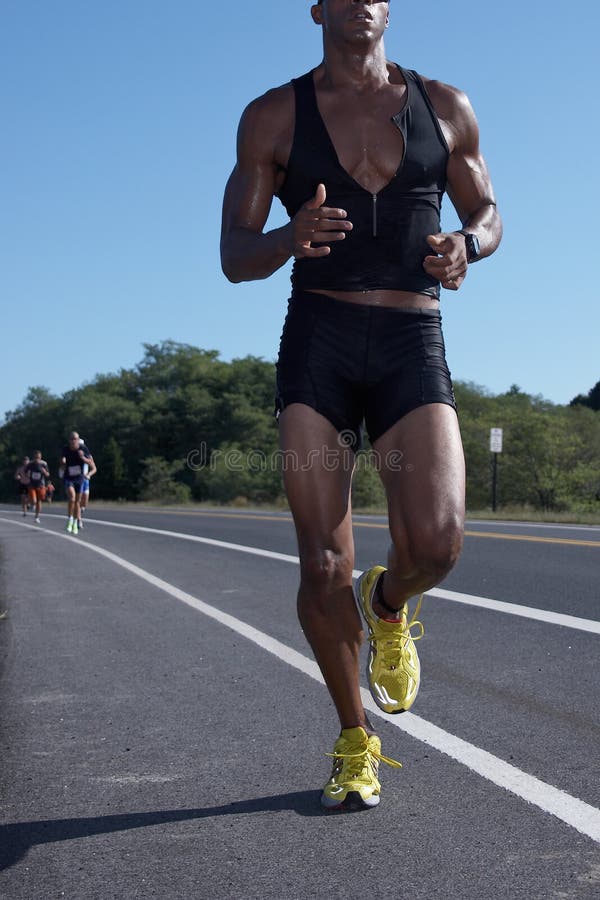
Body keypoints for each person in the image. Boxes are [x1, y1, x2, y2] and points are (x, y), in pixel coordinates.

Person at [221, 0, 502, 810]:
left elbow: (489, 213)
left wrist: (469, 245)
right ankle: (354, 739)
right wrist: (285, 238)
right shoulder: (274, 115)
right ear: (316, 8)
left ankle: (388, 606)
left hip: (414, 340)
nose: (356, 2)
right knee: (320, 563)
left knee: (440, 543)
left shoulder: (444, 106)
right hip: (321, 341)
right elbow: (234, 255)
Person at [60, 431, 93, 535]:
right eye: (71, 439)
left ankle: (75, 523)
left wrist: (82, 457)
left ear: (78, 440)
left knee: (77, 502)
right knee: (72, 498)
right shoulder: (65, 449)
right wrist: (63, 461)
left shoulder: (83, 448)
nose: (73, 441)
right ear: (69, 440)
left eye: (75, 439)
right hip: (69, 477)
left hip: (79, 478)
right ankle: (69, 520)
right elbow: (62, 462)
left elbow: (90, 462)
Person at [76, 438, 97, 529]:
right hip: (76, 480)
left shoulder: (88, 456)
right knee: (78, 500)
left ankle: (79, 511)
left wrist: (89, 474)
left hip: (85, 479)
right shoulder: (73, 457)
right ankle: (79, 520)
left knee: (84, 502)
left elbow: (94, 468)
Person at [25, 451, 50, 524]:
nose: (37, 459)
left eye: (38, 457)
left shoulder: (44, 464)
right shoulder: (30, 464)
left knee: (40, 500)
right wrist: (28, 474)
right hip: (32, 484)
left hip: (41, 484)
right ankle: (32, 503)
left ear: (40, 457)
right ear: (33, 457)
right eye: (35, 457)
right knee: (34, 500)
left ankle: (37, 517)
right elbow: (25, 472)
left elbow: (48, 474)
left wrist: (45, 472)